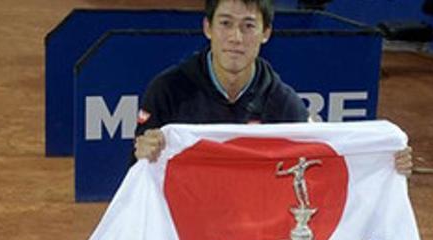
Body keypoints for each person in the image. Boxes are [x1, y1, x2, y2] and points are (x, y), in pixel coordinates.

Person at [133, 0, 413, 175]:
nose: (235, 37)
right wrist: (144, 151)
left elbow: (324, 156)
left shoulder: (283, 102)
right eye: (225, 23)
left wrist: (385, 159)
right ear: (208, 27)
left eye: (248, 26)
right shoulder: (167, 90)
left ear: (266, 33)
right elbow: (140, 171)